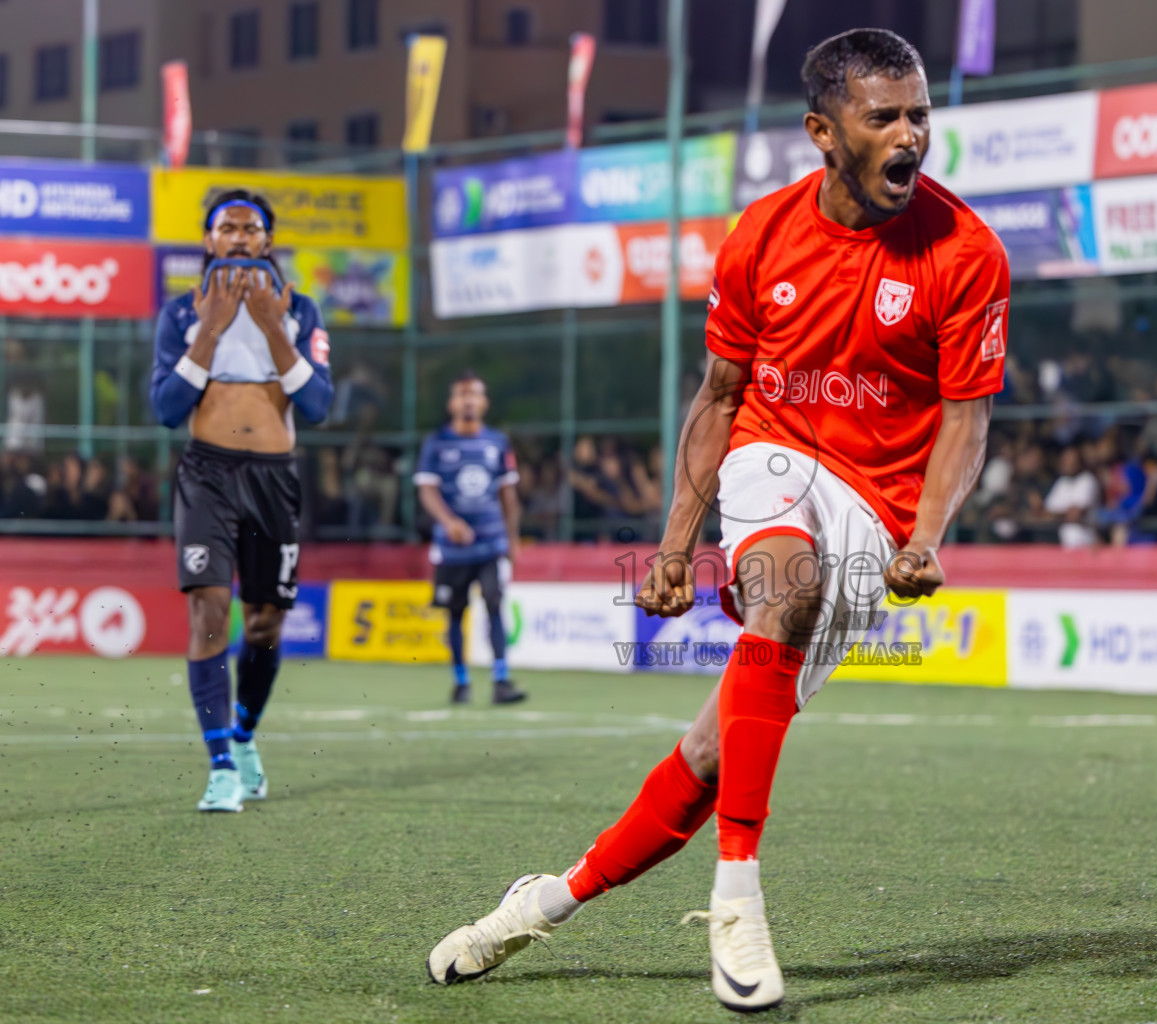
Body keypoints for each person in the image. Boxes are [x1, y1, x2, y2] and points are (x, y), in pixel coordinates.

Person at [426, 28, 1008, 1012]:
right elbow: (719, 394)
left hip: (879, 505)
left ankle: (543, 902)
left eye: (920, 114)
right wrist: (674, 545)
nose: (911, 134)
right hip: (772, 453)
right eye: (885, 116)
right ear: (825, 130)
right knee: (786, 586)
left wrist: (927, 536)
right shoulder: (761, 236)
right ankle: (738, 895)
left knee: (709, 756)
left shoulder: (966, 251)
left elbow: (967, 417)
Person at [150, 190, 334, 813]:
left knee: (264, 623)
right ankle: (221, 764)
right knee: (208, 608)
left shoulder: (300, 311)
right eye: (225, 226)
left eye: (249, 227)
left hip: (274, 478)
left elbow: (319, 407)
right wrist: (211, 332)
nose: (236, 234)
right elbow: (165, 411)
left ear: (266, 241)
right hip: (207, 474)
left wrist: (268, 329)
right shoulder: (180, 314)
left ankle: (246, 735)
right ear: (207, 240)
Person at [413, 370, 525, 705]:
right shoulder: (437, 444)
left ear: (484, 402)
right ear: (452, 403)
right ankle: (460, 680)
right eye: (462, 394)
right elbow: (427, 490)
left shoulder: (497, 443)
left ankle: (501, 680)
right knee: (455, 612)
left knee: (494, 603)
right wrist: (449, 522)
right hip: (452, 549)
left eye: (475, 394)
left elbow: (508, 495)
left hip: (491, 543)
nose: (469, 400)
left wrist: (513, 540)